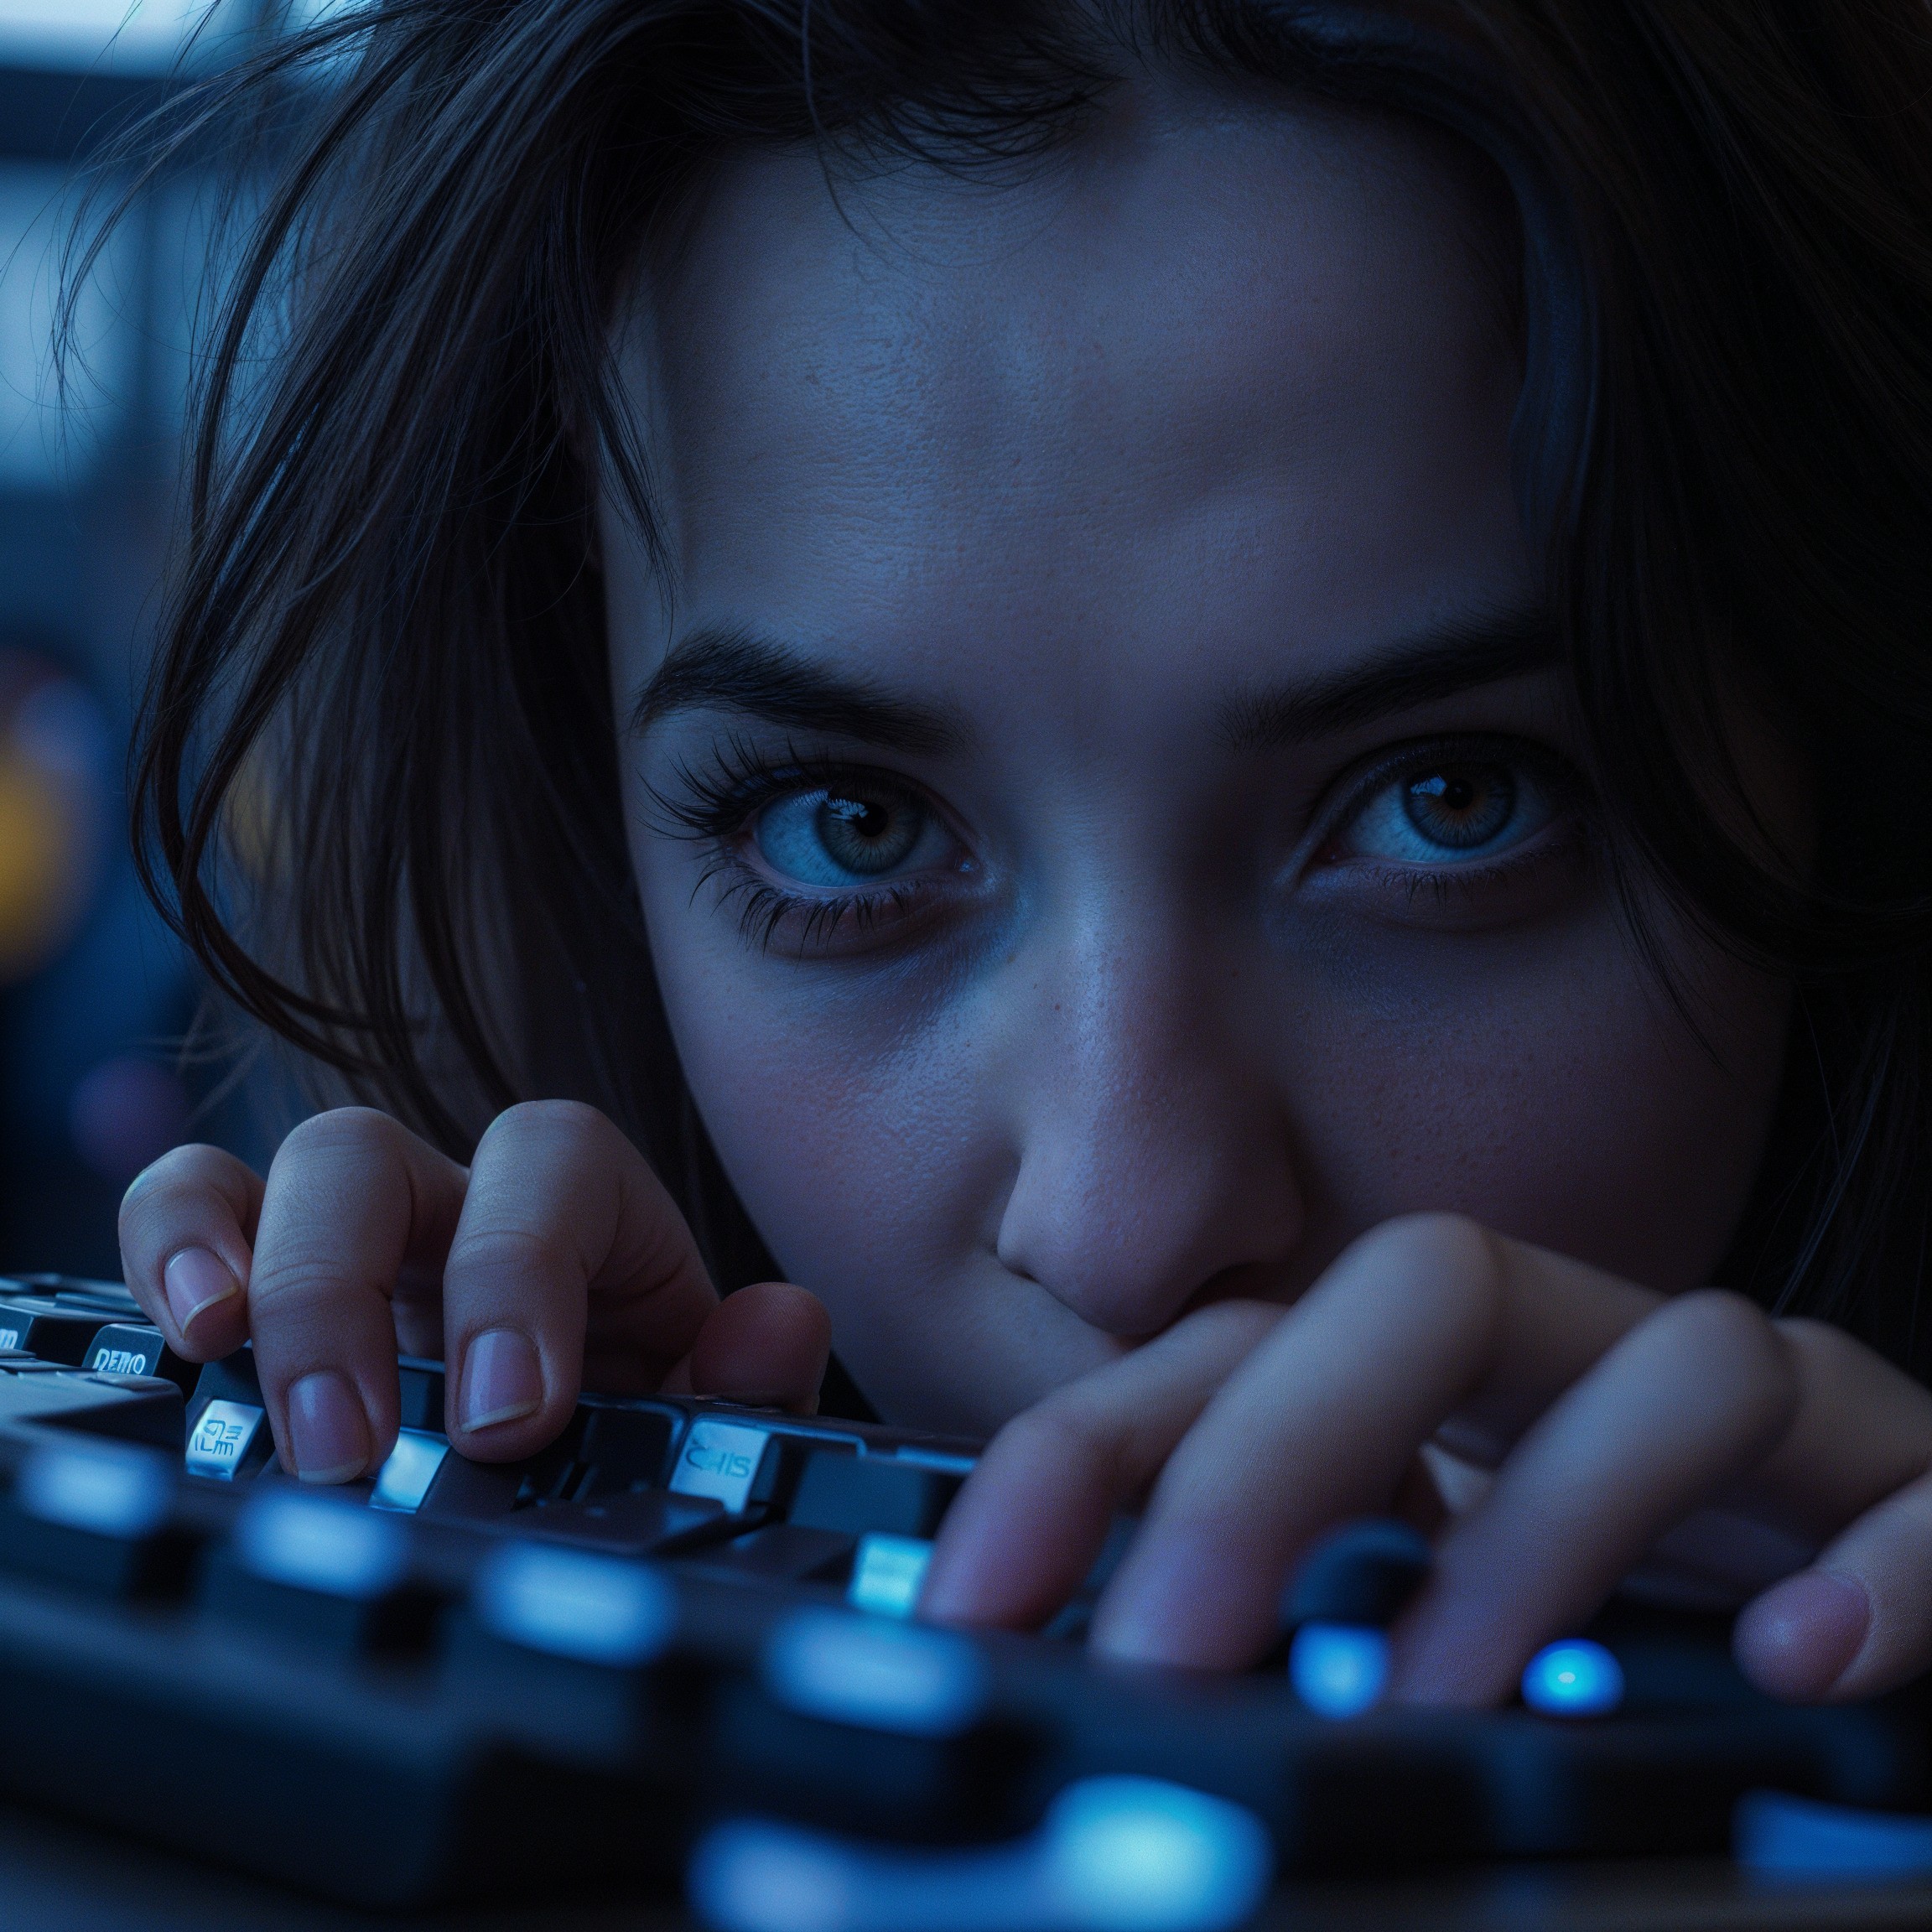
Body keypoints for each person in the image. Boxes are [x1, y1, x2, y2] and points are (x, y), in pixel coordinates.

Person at [102, 0, 1932, 1708]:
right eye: (851, 828)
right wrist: (602, 1618)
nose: (1125, 1228)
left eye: (1452, 800)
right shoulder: (561, 1503)